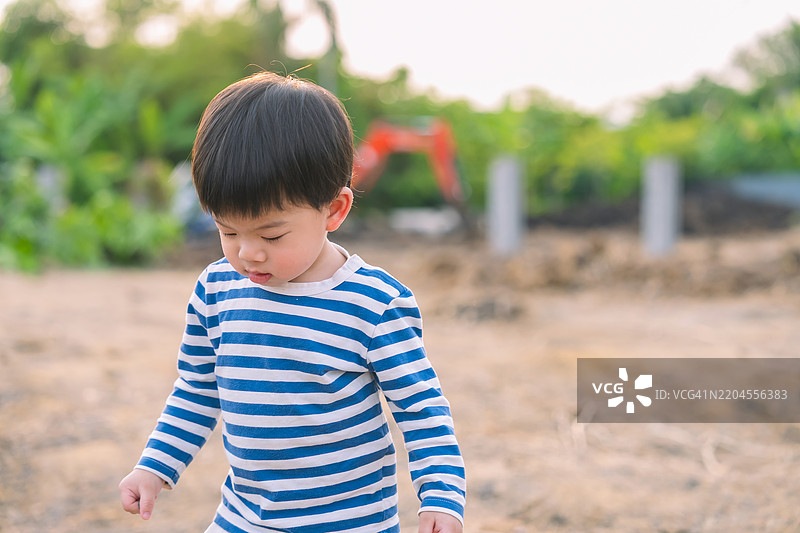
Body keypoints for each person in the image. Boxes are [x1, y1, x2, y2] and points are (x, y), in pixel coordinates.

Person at [118, 71, 466, 533]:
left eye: (271, 234)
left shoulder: (373, 304)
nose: (247, 253)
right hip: (243, 517)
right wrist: (155, 466)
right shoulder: (217, 290)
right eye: (227, 231)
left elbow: (420, 408)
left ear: (334, 210)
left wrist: (440, 494)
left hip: (349, 523)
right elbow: (197, 389)